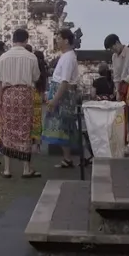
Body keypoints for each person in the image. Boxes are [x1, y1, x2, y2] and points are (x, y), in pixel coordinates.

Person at [0, 28, 42, 178]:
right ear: (26, 40)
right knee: (24, 129)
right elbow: (35, 77)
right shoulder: (31, 57)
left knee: (7, 129)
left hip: (8, 94)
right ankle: (26, 168)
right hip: (25, 95)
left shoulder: (3, 57)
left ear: (13, 39)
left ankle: (8, 169)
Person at [42, 28, 81, 169]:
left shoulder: (69, 57)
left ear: (66, 40)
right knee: (63, 127)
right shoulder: (66, 56)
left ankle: (68, 157)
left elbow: (64, 82)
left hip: (64, 95)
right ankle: (67, 158)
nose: (57, 41)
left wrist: (55, 99)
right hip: (60, 92)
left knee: (65, 126)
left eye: (59, 38)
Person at [104, 34, 129, 101]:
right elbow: (116, 76)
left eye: (112, 47)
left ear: (117, 43)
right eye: (110, 49)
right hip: (121, 89)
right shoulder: (114, 57)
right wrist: (118, 92)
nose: (112, 50)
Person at [31, 50, 47, 149]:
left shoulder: (33, 67)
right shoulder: (44, 70)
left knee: (29, 120)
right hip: (39, 95)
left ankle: (30, 143)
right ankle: (38, 145)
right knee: (37, 121)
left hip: (31, 94)